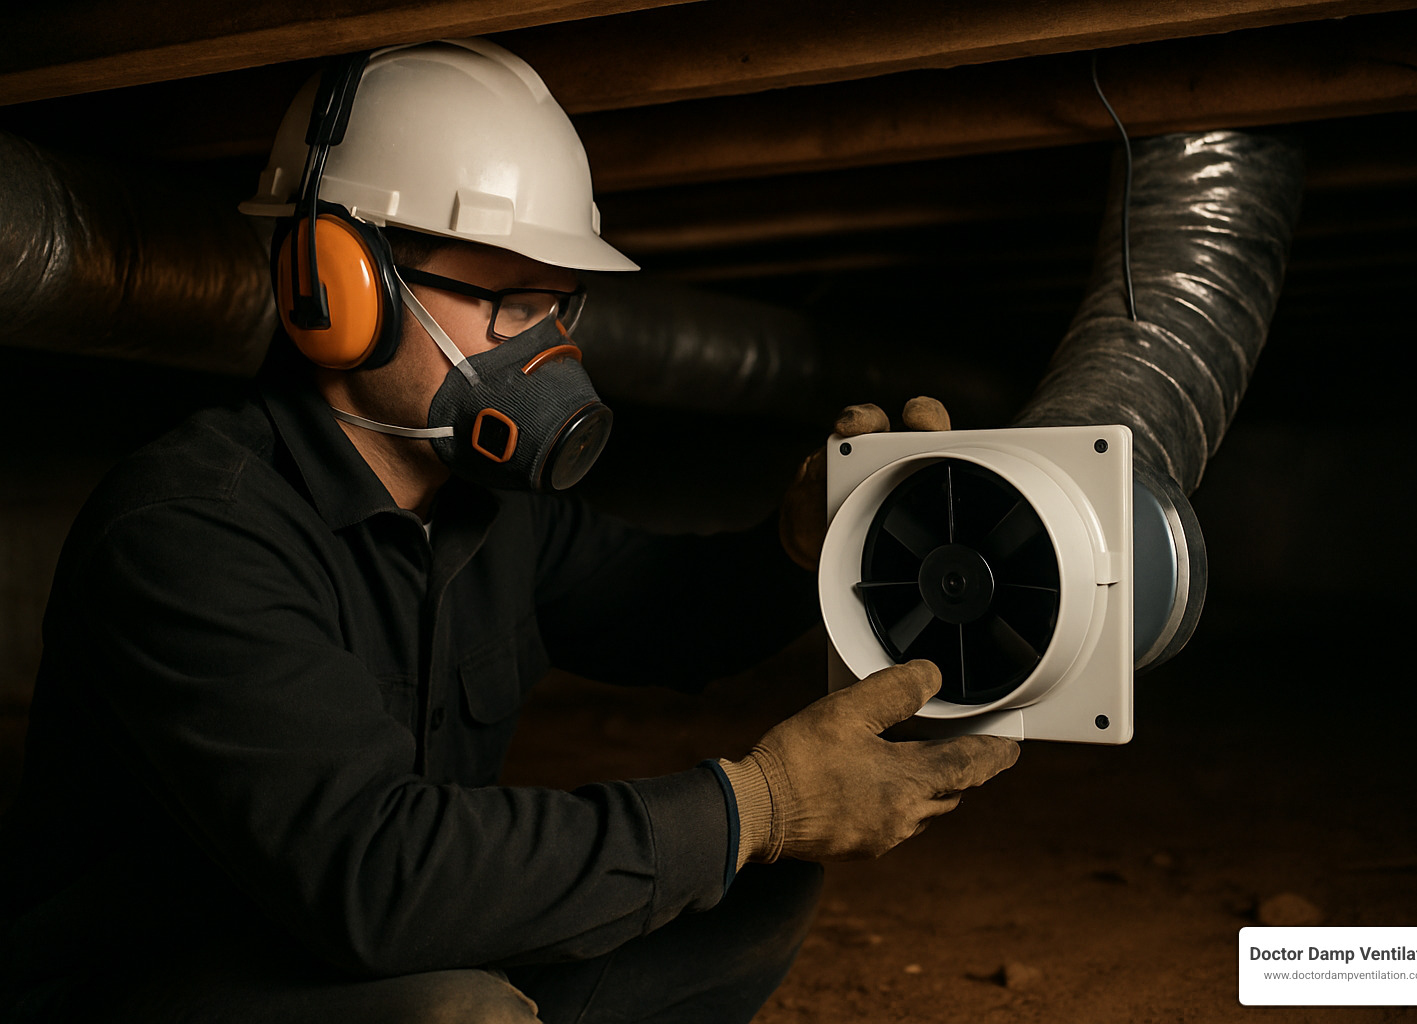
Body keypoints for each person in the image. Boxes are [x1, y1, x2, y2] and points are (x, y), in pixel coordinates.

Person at [0, 39, 1019, 1023]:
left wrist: (806, 544)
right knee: (458, 1011)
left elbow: (667, 611)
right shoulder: (192, 530)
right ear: (335, 288)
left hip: (376, 941)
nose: (548, 350)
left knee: (752, 889)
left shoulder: (484, 507)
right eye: (511, 303)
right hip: (163, 979)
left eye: (557, 304)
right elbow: (376, 876)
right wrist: (755, 803)